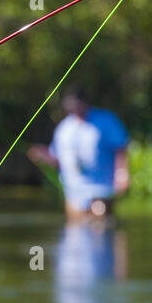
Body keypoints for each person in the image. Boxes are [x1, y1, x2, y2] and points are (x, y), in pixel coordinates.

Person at [27, 87, 130, 219]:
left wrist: (122, 174)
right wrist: (43, 156)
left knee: (100, 224)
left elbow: (120, 148)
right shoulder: (64, 128)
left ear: (85, 103)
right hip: (73, 193)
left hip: (101, 191)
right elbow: (58, 161)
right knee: (75, 229)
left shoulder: (106, 120)